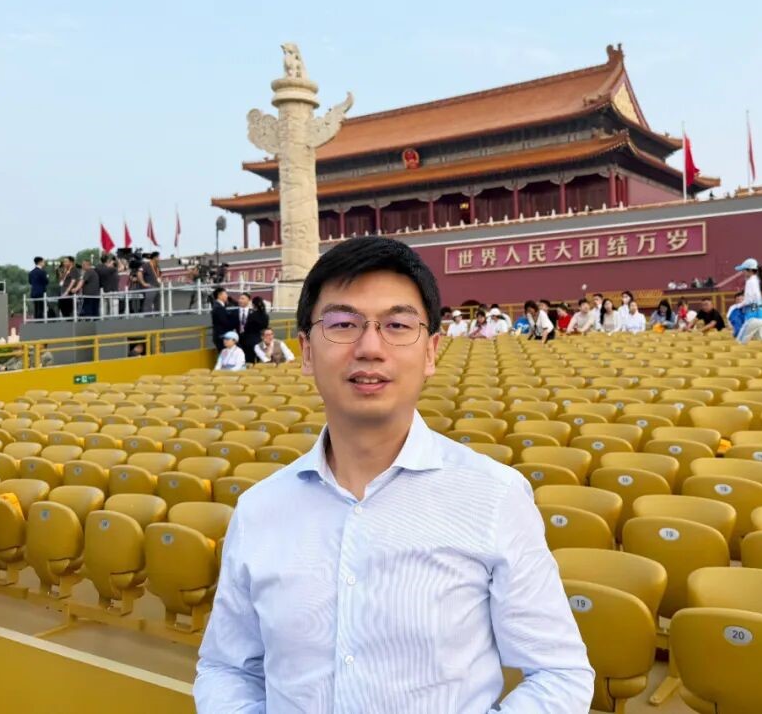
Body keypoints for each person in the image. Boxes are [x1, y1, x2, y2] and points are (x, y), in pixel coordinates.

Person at [195, 236, 594, 711]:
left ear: (430, 352)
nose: (370, 347)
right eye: (342, 324)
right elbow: (227, 668)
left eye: (397, 325)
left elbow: (558, 673)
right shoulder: (259, 510)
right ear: (306, 351)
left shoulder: (494, 496)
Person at [734, 258, 762, 343]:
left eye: (743, 270)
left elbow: (750, 301)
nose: (742, 272)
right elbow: (761, 302)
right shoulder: (759, 281)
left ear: (749, 270)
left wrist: (738, 306)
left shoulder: (750, 281)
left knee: (740, 341)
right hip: (761, 316)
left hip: (753, 316)